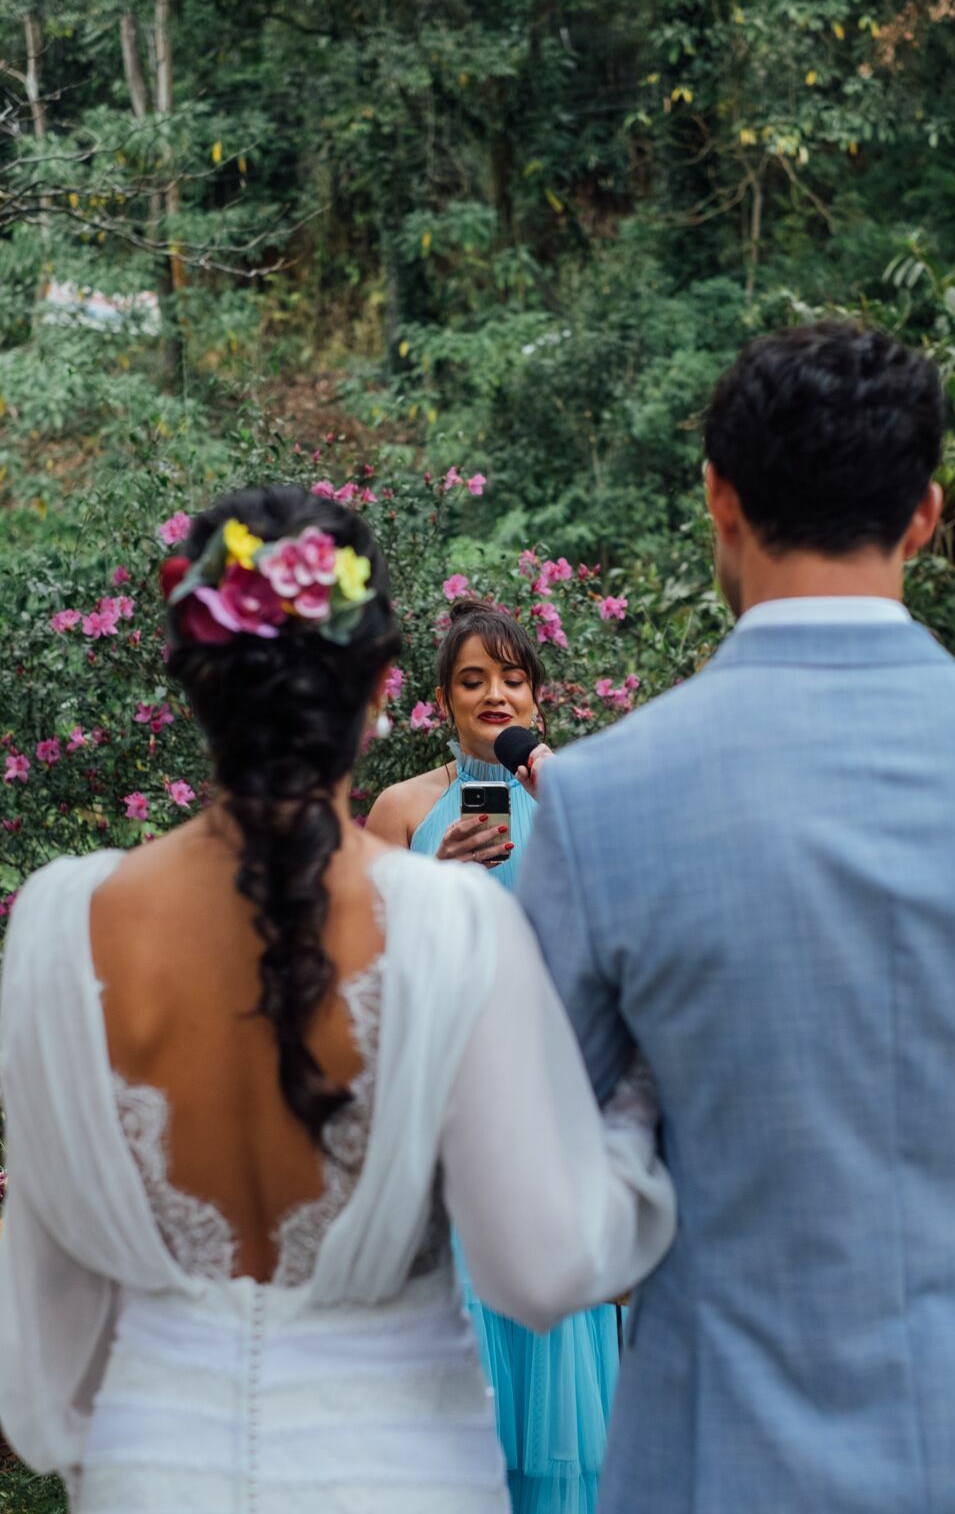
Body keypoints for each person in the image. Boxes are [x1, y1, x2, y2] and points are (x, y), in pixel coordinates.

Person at [0, 486, 676, 1513]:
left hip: (154, 1474)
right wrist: (633, 1100)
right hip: (401, 1474)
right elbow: (541, 1269)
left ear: (193, 684)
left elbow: (43, 1351)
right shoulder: (453, 921)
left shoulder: (59, 925)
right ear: (382, 692)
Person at [519, 322, 955, 1514]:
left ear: (717, 495)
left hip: (723, 1461)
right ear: (923, 514)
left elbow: (537, 1174)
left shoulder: (601, 797)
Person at [368, 600, 623, 1514]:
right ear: (442, 700)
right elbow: (360, 968)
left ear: (539, 700)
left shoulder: (578, 795)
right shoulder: (401, 808)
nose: (494, 693)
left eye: (512, 677)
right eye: (472, 679)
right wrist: (431, 878)